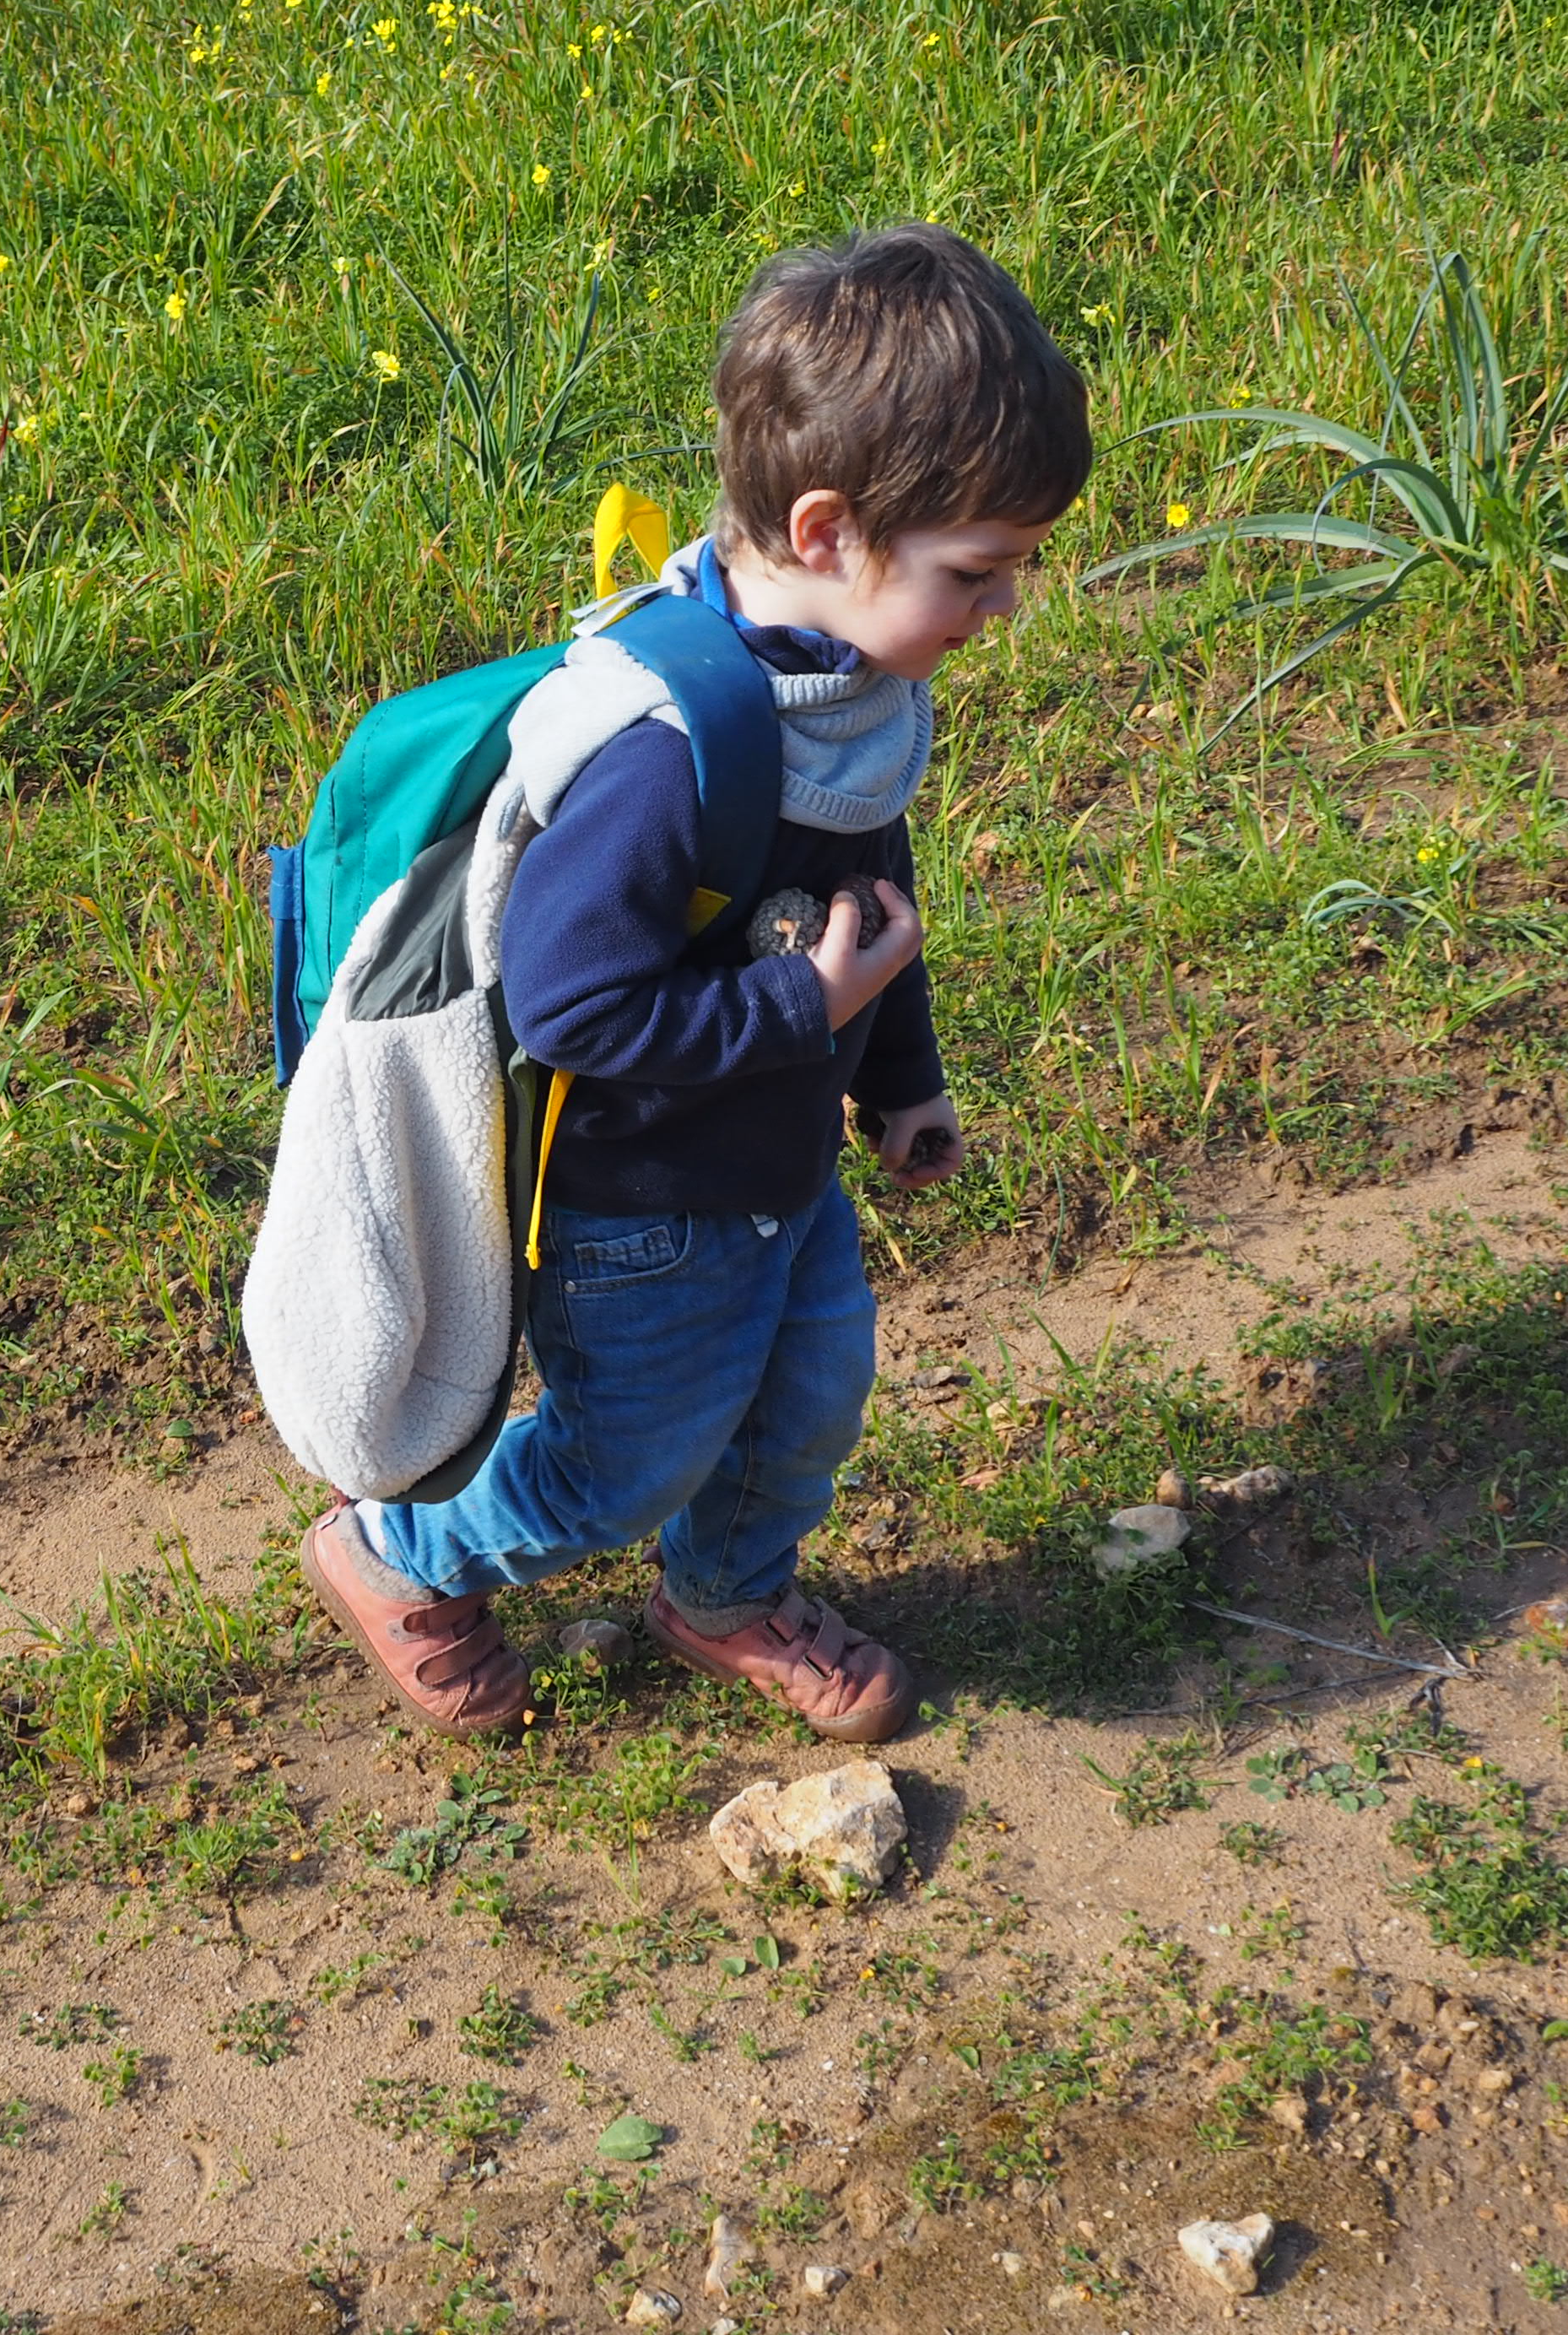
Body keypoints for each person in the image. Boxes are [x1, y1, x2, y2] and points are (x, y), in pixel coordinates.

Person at [296, 223, 1091, 1742]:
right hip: (640, 1208)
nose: (1003, 610)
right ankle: (395, 1548)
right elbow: (570, 1011)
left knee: (801, 1412)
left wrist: (897, 1070)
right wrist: (806, 1012)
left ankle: (721, 1597)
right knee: (623, 1461)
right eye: (977, 572)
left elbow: (867, 899)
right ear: (825, 529)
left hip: (780, 1165)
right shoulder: (664, 754)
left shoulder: (845, 696)